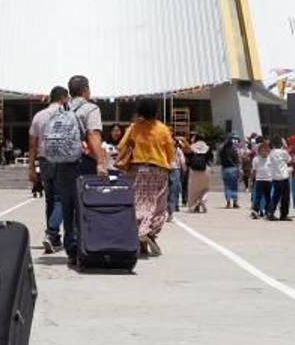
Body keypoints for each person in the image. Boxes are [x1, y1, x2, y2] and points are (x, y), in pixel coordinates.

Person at [45, 74, 107, 267]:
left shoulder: (62, 108)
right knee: (84, 205)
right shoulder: (90, 108)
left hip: (63, 163)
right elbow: (93, 134)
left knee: (67, 205)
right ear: (86, 90)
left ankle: (71, 249)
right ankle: (84, 246)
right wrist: (100, 162)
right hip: (83, 162)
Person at [115, 97, 174, 256]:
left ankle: (141, 239)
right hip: (158, 169)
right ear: (155, 111)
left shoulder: (134, 128)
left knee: (139, 202)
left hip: (136, 169)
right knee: (157, 204)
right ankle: (148, 231)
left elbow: (121, 146)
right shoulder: (162, 129)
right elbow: (170, 153)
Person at [28, 86, 70, 253]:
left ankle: (54, 239)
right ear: (64, 98)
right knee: (61, 199)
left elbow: (32, 143)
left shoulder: (39, 116)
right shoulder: (66, 114)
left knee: (50, 200)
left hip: (44, 161)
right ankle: (52, 233)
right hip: (61, 160)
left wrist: (31, 167)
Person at [184, 134, 212, 213]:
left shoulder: (192, 147)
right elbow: (210, 159)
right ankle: (203, 199)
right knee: (205, 188)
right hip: (205, 170)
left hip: (194, 170)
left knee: (193, 191)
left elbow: (187, 157)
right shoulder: (208, 147)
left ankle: (193, 206)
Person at [250, 140, 273, 219]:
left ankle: (268, 211)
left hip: (269, 180)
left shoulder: (271, 159)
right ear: (259, 151)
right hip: (259, 180)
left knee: (268, 197)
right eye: (262, 150)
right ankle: (256, 211)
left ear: (268, 151)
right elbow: (254, 171)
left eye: (266, 150)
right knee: (258, 196)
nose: (264, 152)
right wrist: (251, 181)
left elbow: (274, 169)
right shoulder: (256, 159)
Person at [218, 137, 241, 209]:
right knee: (234, 186)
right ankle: (235, 202)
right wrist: (238, 170)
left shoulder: (222, 151)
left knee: (227, 186)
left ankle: (228, 203)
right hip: (233, 169)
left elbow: (220, 161)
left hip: (225, 169)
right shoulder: (234, 151)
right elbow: (237, 161)